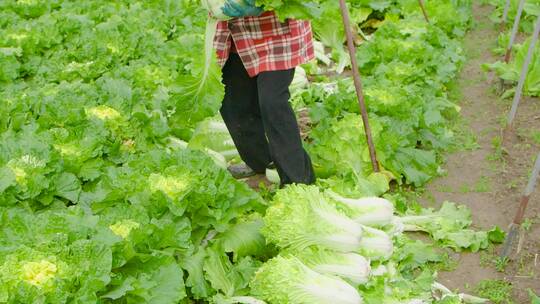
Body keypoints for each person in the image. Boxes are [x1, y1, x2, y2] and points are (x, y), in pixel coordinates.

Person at [213, 4, 316, 186]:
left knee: (272, 101)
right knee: (232, 102)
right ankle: (262, 162)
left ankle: (298, 180)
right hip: (234, 31)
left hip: (275, 31)